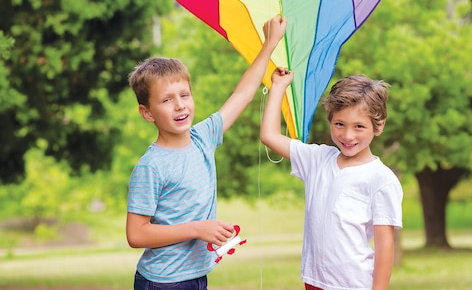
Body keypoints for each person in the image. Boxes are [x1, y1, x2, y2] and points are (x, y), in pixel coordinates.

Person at [126, 15, 286, 290]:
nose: (180, 106)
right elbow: (136, 234)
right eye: (167, 100)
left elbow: (243, 94)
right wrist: (198, 229)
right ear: (147, 113)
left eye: (184, 95)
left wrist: (269, 45)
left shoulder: (204, 137)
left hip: (196, 276)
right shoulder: (151, 166)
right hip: (164, 282)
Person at [260, 70, 403, 290]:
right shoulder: (317, 159)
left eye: (359, 126)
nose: (347, 135)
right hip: (315, 281)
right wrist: (278, 86)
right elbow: (269, 136)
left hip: (352, 285)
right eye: (339, 124)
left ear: (379, 125)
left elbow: (385, 245)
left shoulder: (381, 179)